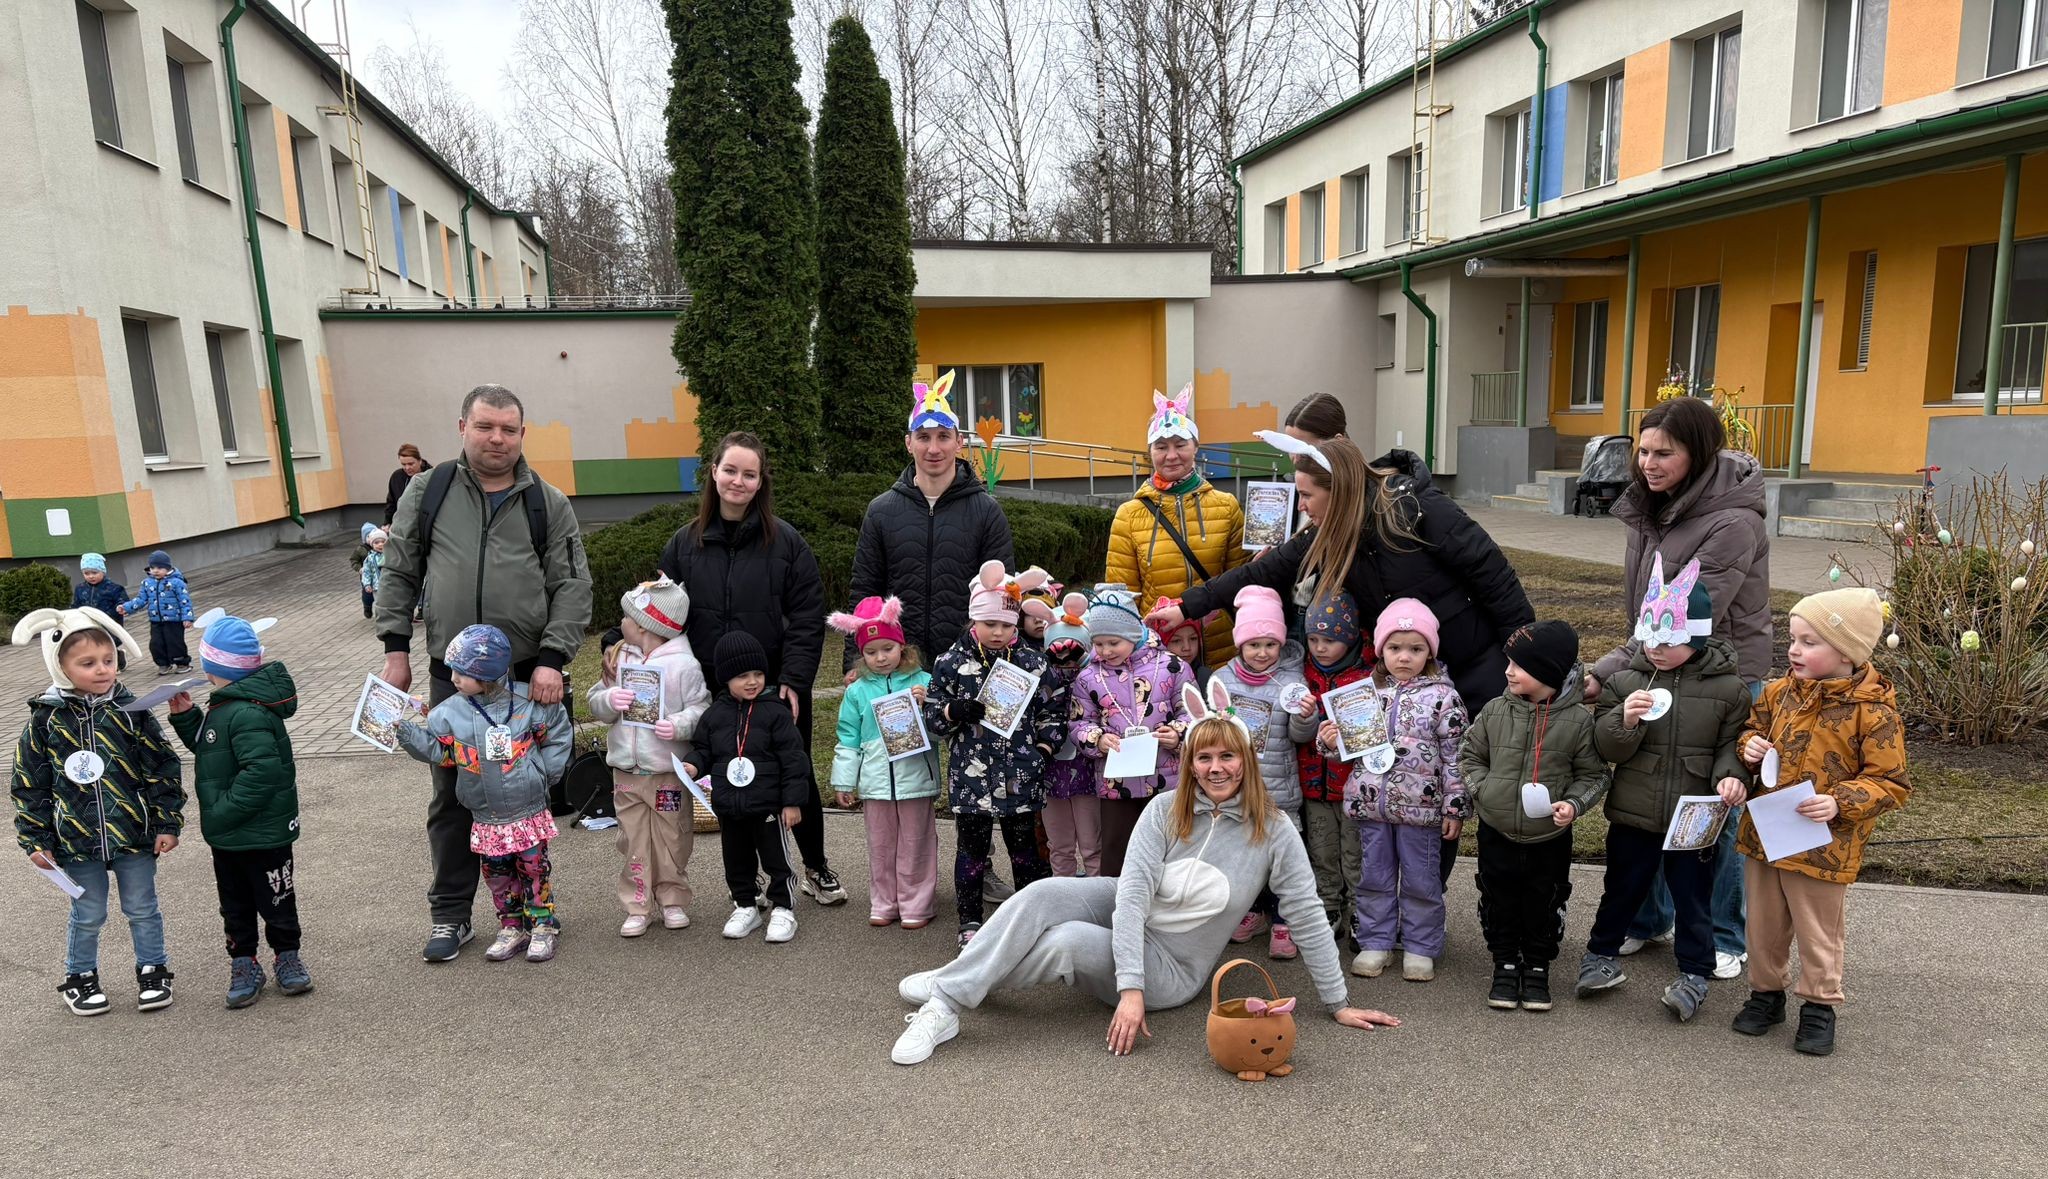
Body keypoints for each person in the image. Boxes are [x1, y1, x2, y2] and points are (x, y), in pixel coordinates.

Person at [886, 708, 1400, 1066]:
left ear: (1246, 759)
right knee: (1045, 892)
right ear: (1190, 764)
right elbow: (1132, 895)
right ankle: (953, 995)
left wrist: (1337, 1002)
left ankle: (950, 992)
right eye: (1204, 759)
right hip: (1134, 925)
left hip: (1172, 968)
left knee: (1066, 941)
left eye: (1227, 757)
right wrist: (1127, 988)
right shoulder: (1163, 808)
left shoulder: (1274, 828)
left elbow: (1308, 913)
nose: (1216, 769)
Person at [1151, 434, 1532, 892]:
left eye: (1308, 495)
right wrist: (1186, 607)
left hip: (1473, 667)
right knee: (1413, 783)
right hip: (1398, 681)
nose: (1303, 505)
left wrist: (1522, 654)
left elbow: (1493, 576)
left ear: (1340, 490)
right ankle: (1406, 903)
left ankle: (1443, 899)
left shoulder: (1418, 509)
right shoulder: (1328, 532)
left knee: (1468, 783)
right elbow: (1262, 572)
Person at [373, 383, 593, 963]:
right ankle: (451, 915)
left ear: (523, 433)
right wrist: (396, 647)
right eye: (486, 426)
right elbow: (398, 570)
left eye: (509, 429)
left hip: (526, 677)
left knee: (532, 792)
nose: (497, 438)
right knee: (452, 793)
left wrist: (552, 659)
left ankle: (535, 910)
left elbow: (571, 586)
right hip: (457, 679)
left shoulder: (547, 502)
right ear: (462, 426)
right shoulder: (430, 490)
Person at [1585, 396, 1771, 983]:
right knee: (1649, 789)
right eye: (1642, 450)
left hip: (1722, 673)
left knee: (1713, 804)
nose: (1648, 462)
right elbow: (1649, 617)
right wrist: (1623, 668)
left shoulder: (1732, 520)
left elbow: (1687, 619)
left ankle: (1723, 934)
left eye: (1664, 452)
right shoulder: (1653, 507)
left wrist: (1607, 669)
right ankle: (1649, 919)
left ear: (1699, 452)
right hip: (1659, 662)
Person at [613, 432, 842, 906]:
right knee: (730, 783)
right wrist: (619, 642)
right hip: (712, 690)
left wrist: (795, 680)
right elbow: (659, 613)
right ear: (714, 473)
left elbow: (806, 618)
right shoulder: (684, 544)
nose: (738, 481)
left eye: (749, 473)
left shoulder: (787, 543)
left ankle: (815, 867)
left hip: (774, 687)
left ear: (761, 483)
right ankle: (748, 882)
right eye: (730, 470)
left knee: (792, 777)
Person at [1724, 588, 1910, 1057]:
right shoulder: (1777, 693)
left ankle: (1819, 1004)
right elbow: (1751, 729)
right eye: (1793, 638)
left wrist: (1838, 802)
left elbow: (1890, 781)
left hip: (1825, 844)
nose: (1793, 650)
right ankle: (1765, 995)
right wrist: (1749, 748)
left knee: (1818, 929)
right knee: (1763, 925)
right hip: (1767, 834)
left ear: (1846, 653)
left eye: (1810, 642)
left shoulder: (1874, 713)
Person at [1580, 558, 1752, 1022]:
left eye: (1668, 640)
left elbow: (1731, 745)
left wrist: (1730, 775)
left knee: (1693, 894)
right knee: (1621, 887)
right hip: (1634, 811)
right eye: (1649, 637)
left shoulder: (1730, 690)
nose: (1655, 647)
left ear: (1693, 638)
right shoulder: (1625, 681)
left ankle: (1694, 972)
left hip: (1695, 815)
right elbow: (1607, 745)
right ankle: (1600, 955)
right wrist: (1626, 719)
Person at [11, 607, 183, 1015]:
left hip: (132, 832)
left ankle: (153, 970)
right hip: (75, 837)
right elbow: (29, 783)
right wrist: (35, 838)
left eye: (108, 660)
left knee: (142, 907)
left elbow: (161, 766)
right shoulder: (45, 720)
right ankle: (80, 977)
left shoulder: (131, 711)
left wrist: (166, 820)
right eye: (87, 663)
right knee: (87, 911)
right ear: (60, 665)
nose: (102, 670)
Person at [396, 625, 573, 964]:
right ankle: (510, 925)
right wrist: (406, 733)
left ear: (485, 675)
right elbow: (440, 752)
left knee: (534, 869)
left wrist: (545, 773)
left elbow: (558, 732)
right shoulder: (450, 712)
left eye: (461, 673)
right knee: (497, 874)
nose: (453, 678)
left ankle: (542, 923)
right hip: (486, 815)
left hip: (528, 810)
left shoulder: (527, 703)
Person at [1459, 620, 1609, 1014]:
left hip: (1549, 837)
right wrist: (1483, 790)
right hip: (1498, 830)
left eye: (1518, 665)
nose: (1507, 671)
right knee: (1498, 897)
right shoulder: (1494, 711)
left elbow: (1594, 775)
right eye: (1508, 662)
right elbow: (1469, 755)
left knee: (1544, 900)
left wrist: (1573, 804)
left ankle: (1538, 966)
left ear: (1548, 672)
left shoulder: (1577, 721)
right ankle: (1505, 964)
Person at [166, 614, 311, 1008]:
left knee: (277, 896)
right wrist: (187, 718)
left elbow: (262, 771)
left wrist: (222, 812)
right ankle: (244, 961)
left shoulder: (246, 711)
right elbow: (216, 755)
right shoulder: (227, 706)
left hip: (260, 831)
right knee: (236, 902)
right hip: (232, 836)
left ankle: (287, 956)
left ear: (215, 667)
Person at [924, 562, 1062, 945]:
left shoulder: (1033, 662)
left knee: (1025, 853)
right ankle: (970, 922)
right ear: (974, 622)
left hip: (1021, 774)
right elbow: (933, 717)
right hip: (971, 778)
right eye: (990, 624)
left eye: (1006, 625)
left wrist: (1044, 747)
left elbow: (1054, 706)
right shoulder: (950, 663)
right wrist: (955, 711)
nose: (998, 633)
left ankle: (1031, 919)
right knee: (971, 852)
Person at [846, 370, 1014, 669]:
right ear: (909, 442)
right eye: (923, 437)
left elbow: (1003, 596)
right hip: (897, 667)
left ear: (959, 442)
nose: (933, 448)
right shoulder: (881, 511)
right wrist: (853, 663)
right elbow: (864, 591)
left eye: (943, 437)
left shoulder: (987, 512)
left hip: (968, 666)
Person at [1346, 599, 1469, 984]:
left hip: (1422, 810)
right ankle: (1376, 941)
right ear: (1381, 649)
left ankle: (1420, 945)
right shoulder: (1363, 694)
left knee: (1421, 879)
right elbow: (1347, 750)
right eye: (1395, 648)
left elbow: (1457, 758)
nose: (1404, 657)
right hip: (1372, 806)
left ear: (1429, 651)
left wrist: (1455, 807)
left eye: (1415, 649)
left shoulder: (1443, 698)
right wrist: (1329, 740)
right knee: (1375, 877)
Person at [588, 575, 709, 938]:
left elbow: (702, 708)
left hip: (666, 771)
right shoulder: (617, 656)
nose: (619, 623)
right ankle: (637, 904)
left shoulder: (684, 666)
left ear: (644, 626)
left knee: (673, 836)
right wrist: (609, 700)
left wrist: (679, 725)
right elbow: (597, 700)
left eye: (625, 617)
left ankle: (672, 899)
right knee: (632, 838)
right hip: (626, 770)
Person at [680, 632, 812, 945]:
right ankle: (745, 904)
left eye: (758, 673)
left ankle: (783, 907)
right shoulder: (714, 715)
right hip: (729, 806)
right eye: (742, 676)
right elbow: (704, 749)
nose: (752, 681)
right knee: (736, 860)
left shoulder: (775, 713)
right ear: (726, 678)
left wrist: (792, 803)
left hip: (768, 805)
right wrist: (694, 765)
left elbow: (794, 760)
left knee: (776, 857)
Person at [1105, 384, 1247, 670]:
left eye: (1181, 444)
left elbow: (1242, 582)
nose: (1171, 455)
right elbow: (1121, 598)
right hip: (1157, 653)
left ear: (1195, 446)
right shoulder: (1129, 515)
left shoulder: (1226, 506)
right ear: (1150, 452)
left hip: (1221, 651)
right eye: (1161, 447)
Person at [827, 596, 939, 929]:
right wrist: (844, 781)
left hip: (916, 778)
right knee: (881, 844)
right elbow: (848, 738)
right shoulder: (857, 692)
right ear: (861, 655)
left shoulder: (925, 682)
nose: (880, 657)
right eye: (871, 652)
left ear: (901, 648)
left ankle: (916, 903)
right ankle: (884, 902)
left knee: (916, 843)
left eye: (887, 648)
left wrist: (928, 704)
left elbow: (945, 728)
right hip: (876, 783)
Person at [1209, 586, 1308, 962]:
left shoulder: (1291, 680)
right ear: (1239, 645)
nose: (1262, 653)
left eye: (1270, 644)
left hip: (1279, 787)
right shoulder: (1223, 679)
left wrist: (1304, 716)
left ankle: (1285, 921)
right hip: (1237, 787)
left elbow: (1301, 737)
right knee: (1244, 855)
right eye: (1253, 645)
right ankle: (1253, 911)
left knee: (1281, 856)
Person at [1069, 584, 1194, 878]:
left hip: (1168, 779)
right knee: (1117, 849)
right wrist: (1098, 739)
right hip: (1116, 783)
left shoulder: (1172, 667)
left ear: (1133, 634)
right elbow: (1078, 721)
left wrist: (1178, 733)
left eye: (1113, 642)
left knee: (1170, 848)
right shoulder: (1088, 676)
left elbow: (1192, 709)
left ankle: (1171, 909)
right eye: (1098, 643)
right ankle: (1113, 911)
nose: (1105, 651)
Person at [1290, 588, 1370, 944]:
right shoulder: (1300, 675)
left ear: (1350, 637)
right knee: (1321, 853)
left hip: (1354, 788)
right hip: (1313, 785)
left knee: (1355, 857)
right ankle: (1328, 907)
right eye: (1313, 638)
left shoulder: (1368, 677)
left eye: (1330, 639)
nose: (1320, 647)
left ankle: (1360, 913)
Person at [1038, 592, 1099, 879]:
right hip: (1050, 765)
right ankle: (1062, 898)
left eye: (1074, 655)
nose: (1065, 662)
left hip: (1086, 768)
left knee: (1091, 844)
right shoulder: (1037, 680)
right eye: (1056, 655)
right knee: (1059, 845)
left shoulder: (1096, 680)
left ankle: (1098, 902)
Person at [124, 549, 195, 676]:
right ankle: (163, 663)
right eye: (152, 567)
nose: (155, 570)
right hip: (156, 620)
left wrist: (187, 618)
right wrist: (127, 608)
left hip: (174, 620)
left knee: (175, 642)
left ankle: (181, 663)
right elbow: (141, 599)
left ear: (168, 568)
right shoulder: (147, 583)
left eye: (160, 567)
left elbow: (184, 600)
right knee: (156, 643)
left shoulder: (177, 582)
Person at [1149, 600, 1213, 689]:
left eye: (1193, 638)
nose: (1187, 647)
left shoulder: (1205, 678)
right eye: (1176, 641)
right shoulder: (1147, 680)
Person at [383, 443, 432, 526]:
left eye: (411, 464)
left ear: (420, 461)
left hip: (425, 524)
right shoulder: (397, 477)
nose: (407, 468)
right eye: (403, 464)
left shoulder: (431, 476)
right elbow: (391, 503)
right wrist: (387, 523)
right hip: (402, 524)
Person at [72, 553, 126, 618]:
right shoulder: (80, 588)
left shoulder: (114, 588)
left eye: (94, 573)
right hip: (88, 623)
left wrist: (121, 606)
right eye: (86, 573)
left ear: (103, 571)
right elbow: (76, 605)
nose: (91, 576)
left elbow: (123, 602)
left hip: (109, 623)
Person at [360, 528, 387, 619]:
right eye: (376, 543)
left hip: (390, 584)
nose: (380, 544)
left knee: (392, 602)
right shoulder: (370, 558)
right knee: (379, 603)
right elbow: (367, 572)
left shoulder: (391, 555)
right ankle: (381, 618)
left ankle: (392, 618)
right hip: (377, 586)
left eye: (383, 541)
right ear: (372, 545)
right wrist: (367, 584)